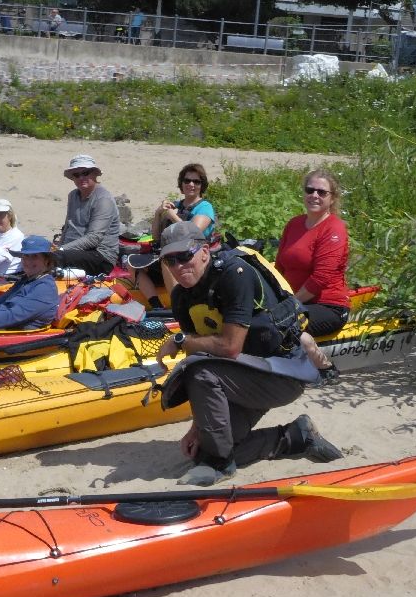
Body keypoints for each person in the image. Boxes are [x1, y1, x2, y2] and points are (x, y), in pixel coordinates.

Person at [155, 221, 343, 486]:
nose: (178, 266)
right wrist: (198, 428)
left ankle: (220, 466)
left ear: (205, 252)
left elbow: (229, 347)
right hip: (243, 375)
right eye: (169, 261)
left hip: (281, 373)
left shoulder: (235, 274)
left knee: (200, 372)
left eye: (185, 256)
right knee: (203, 452)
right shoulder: (181, 298)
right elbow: (201, 350)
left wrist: (179, 340)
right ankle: (295, 437)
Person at [276, 168, 351, 376]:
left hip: (328, 305)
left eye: (321, 192)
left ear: (332, 198)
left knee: (285, 324)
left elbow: (319, 280)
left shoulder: (334, 228)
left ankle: (325, 367)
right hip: (297, 302)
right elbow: (279, 267)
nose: (314, 196)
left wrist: (288, 305)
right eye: (310, 190)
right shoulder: (294, 224)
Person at [135, 163, 218, 304]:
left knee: (168, 260)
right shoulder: (176, 206)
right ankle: (156, 304)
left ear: (201, 185)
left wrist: (173, 216)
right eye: (187, 181)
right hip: (171, 252)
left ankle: (177, 305)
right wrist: (158, 213)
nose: (191, 184)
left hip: (191, 254)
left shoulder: (205, 207)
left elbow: (193, 232)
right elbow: (156, 236)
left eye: (196, 181)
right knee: (132, 263)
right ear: (182, 183)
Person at [54, 154, 120, 276]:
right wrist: (59, 246)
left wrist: (62, 250)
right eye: (76, 175)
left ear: (94, 173)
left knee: (53, 259)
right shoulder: (73, 195)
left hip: (100, 256)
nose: (81, 177)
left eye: (85, 173)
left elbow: (94, 238)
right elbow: (68, 227)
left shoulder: (103, 199)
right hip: (73, 251)